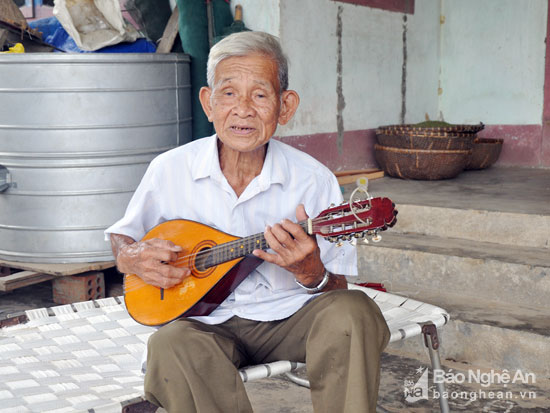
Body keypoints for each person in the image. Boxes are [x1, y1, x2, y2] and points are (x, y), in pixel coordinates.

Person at [106, 31, 389, 413]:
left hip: (289, 318)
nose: (242, 110)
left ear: (285, 107)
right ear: (208, 102)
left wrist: (311, 272)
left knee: (354, 311)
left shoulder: (314, 179)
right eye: (228, 93)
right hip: (203, 323)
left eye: (259, 94)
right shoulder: (170, 169)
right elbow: (123, 235)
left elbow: (336, 285)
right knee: (168, 345)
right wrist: (131, 256)